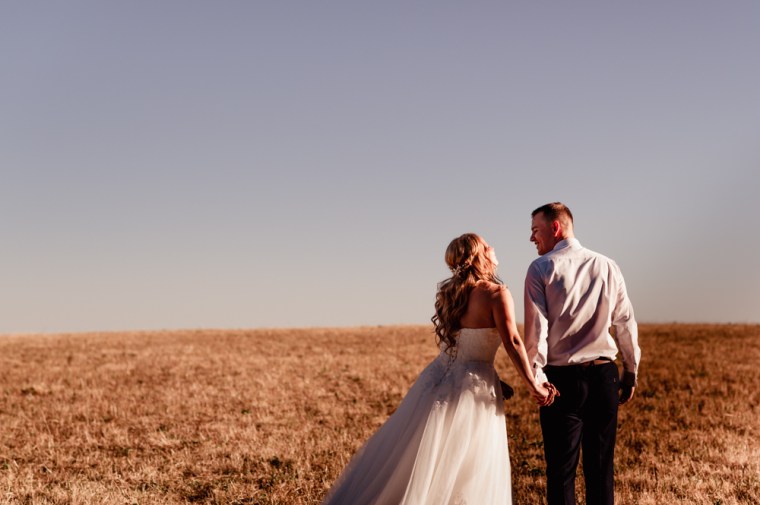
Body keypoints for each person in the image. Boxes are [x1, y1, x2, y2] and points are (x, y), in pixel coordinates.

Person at [322, 233, 558, 505]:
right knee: (468, 464)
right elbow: (513, 340)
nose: (493, 248)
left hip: (438, 379)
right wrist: (533, 383)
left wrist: (495, 377)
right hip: (472, 389)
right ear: (478, 255)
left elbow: (461, 345)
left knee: (419, 457)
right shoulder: (496, 293)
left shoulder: (450, 294)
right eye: (487, 245)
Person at [524, 202, 641, 505]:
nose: (531, 238)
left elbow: (537, 331)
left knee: (561, 472)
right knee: (601, 469)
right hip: (604, 376)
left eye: (535, 230)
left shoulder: (541, 268)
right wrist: (630, 371)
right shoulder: (607, 265)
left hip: (561, 382)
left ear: (555, 228)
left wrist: (537, 378)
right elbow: (625, 322)